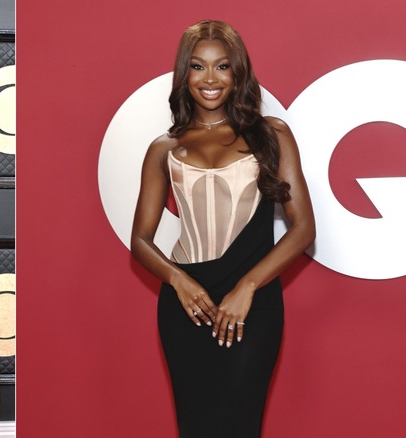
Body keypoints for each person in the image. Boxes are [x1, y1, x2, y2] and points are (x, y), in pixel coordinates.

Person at [130, 20, 315, 437]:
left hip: (253, 302)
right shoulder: (165, 147)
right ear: (185, 75)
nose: (210, 79)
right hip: (186, 305)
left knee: (240, 422)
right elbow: (140, 240)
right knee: (195, 424)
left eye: (222, 67)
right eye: (198, 67)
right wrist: (180, 281)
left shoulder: (271, 135)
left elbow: (303, 229)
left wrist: (248, 287)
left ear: (238, 73)